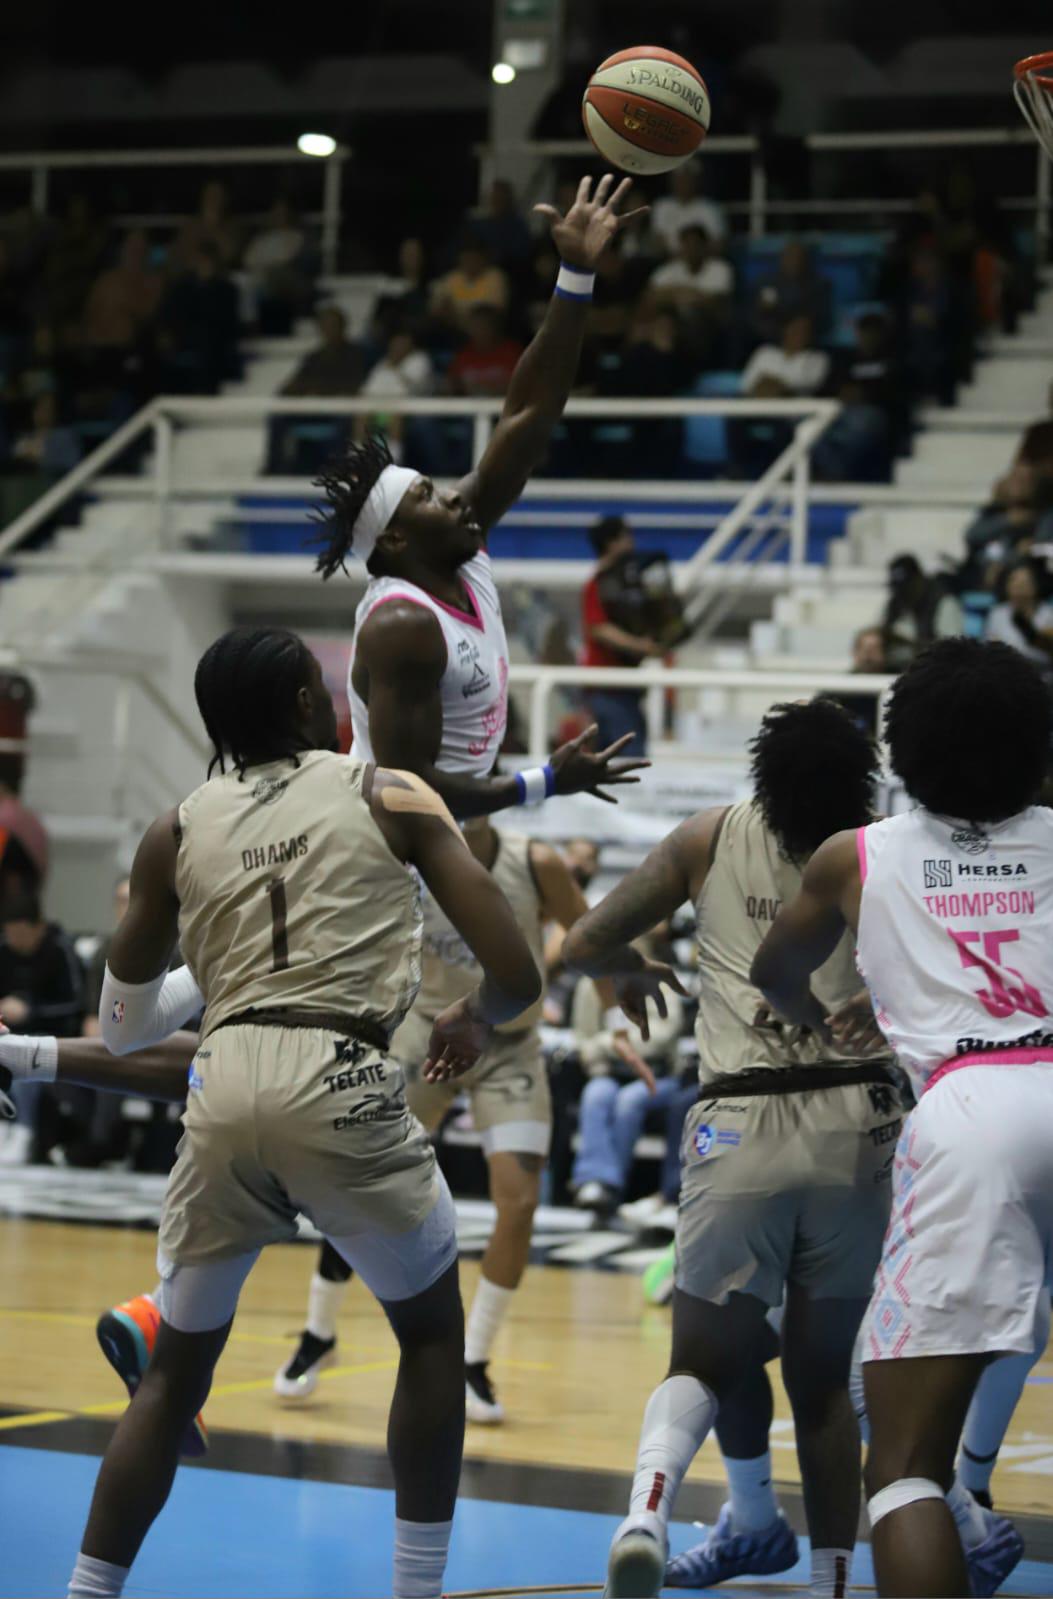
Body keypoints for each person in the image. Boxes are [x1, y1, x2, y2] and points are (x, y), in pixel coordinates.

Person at [60, 624, 541, 1599]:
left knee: (173, 1374)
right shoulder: (385, 789)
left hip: (223, 1079)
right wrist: (473, 1019)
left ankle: (87, 1590)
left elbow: (119, 1029)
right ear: (304, 709)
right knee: (433, 1336)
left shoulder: (177, 826)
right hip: (342, 1070)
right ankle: (417, 1589)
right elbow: (516, 972)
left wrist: (215, 978)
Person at [564, 698, 912, 1599]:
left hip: (739, 1123)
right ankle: (833, 1577)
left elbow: (582, 941)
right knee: (825, 1384)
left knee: (705, 1362)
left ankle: (646, 1507)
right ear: (860, 779)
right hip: (858, 1127)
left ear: (762, 777)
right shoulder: (885, 849)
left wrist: (626, 969)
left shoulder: (707, 835)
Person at [748, 637, 1053, 1598]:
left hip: (971, 1113)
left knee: (903, 1470)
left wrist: (855, 1018)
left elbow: (774, 975)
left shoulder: (855, 854)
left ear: (902, 751)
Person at [273, 815, 650, 1423]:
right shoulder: (406, 858)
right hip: (427, 1034)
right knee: (356, 1183)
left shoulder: (535, 861)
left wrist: (611, 1025)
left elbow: (589, 937)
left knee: (520, 1203)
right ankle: (319, 1332)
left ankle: (472, 1361)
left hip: (510, 1044)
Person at [312, 173, 650, 821]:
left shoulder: (455, 544)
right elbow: (405, 791)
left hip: (449, 829)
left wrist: (574, 274)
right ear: (396, 539)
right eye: (431, 497)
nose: (459, 497)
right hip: (386, 847)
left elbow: (528, 412)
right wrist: (543, 780)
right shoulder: (401, 624)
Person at [0, 890, 84, 1166]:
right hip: (7, 1031)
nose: (15, 940)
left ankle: (24, 1129)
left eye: (20, 932)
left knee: (25, 1055)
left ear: (38, 927)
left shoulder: (59, 949)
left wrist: (31, 1010)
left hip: (53, 1036)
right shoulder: (4, 951)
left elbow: (74, 1004)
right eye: (10, 933)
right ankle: (6, 1127)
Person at [580, 515, 668, 757]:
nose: (632, 543)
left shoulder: (627, 585)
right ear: (611, 543)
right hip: (607, 690)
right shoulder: (596, 585)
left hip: (626, 688)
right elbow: (599, 629)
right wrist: (642, 646)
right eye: (626, 537)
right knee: (629, 758)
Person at [882, 552, 963, 670]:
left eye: (907, 586)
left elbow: (953, 648)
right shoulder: (894, 604)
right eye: (898, 588)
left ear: (918, 579)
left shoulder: (943, 601)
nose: (902, 592)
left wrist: (915, 646)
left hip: (933, 672)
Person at [751, 240, 831, 345]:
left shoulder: (819, 285)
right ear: (782, 259)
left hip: (805, 338)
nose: (794, 261)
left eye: (798, 257)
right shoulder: (767, 282)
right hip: (772, 338)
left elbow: (822, 319)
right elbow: (758, 315)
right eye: (789, 256)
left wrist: (797, 330)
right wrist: (781, 333)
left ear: (805, 260)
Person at [984, 557, 1053, 671]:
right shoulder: (997, 614)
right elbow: (990, 649)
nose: (1018, 587)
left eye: (1024, 582)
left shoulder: (1049, 614)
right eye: (1013, 581)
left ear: (1036, 586)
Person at [430, 237, 509, 336]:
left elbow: (495, 309)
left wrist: (457, 310)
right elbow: (437, 309)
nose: (470, 263)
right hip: (454, 331)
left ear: (483, 258)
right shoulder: (451, 278)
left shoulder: (495, 276)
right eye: (466, 258)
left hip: (486, 332)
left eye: (473, 258)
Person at [650, 162, 727, 255]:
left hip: (705, 262)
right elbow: (657, 241)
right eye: (679, 179)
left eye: (688, 179)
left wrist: (693, 257)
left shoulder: (710, 208)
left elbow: (719, 243)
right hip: (669, 261)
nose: (683, 183)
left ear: (696, 181)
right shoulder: (662, 206)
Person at [446, 307, 523, 398]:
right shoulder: (463, 355)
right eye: (475, 326)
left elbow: (521, 386)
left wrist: (491, 389)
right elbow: (452, 386)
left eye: (484, 325)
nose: (479, 330)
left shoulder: (511, 352)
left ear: (495, 327)